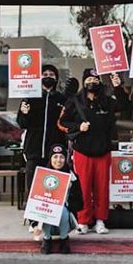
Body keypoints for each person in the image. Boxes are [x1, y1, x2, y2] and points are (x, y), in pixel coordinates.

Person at [58, 68, 128, 235]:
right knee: (82, 188)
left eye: (96, 80)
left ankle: (100, 220)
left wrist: (118, 87)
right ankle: (83, 221)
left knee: (102, 189)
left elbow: (124, 105)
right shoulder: (74, 101)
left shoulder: (107, 101)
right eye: (89, 80)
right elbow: (62, 122)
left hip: (103, 151)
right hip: (82, 152)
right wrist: (78, 127)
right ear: (84, 82)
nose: (92, 83)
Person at [17, 65, 77, 232]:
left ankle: (53, 218)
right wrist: (24, 113)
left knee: (53, 186)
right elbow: (21, 123)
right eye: (45, 74)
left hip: (55, 151)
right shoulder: (30, 98)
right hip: (34, 149)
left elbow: (68, 120)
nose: (48, 76)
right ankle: (33, 221)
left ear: (56, 78)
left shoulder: (61, 98)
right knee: (34, 186)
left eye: (51, 74)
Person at [37, 144, 83, 255]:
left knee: (61, 209)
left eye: (61, 157)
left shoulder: (72, 177)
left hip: (65, 219)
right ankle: (47, 239)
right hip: (45, 219)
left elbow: (80, 202)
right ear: (50, 159)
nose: (59, 160)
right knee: (49, 207)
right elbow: (34, 200)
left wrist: (68, 202)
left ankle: (64, 239)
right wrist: (34, 223)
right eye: (55, 157)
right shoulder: (42, 176)